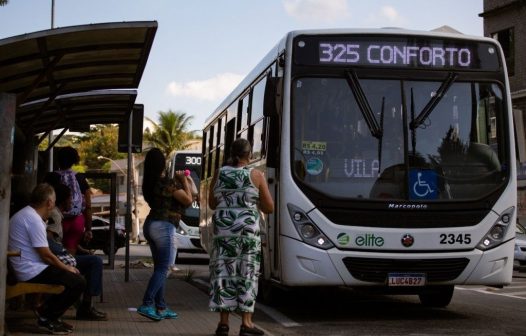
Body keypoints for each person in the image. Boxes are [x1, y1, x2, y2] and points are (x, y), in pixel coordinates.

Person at [208, 138, 274, 336]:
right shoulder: (256, 175)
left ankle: (223, 324)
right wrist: (253, 204)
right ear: (249, 155)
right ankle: (246, 323)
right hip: (247, 233)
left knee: (224, 273)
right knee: (247, 274)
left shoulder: (219, 173)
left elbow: (212, 203)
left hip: (224, 233)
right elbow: (269, 207)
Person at [8, 183, 86, 335]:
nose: (53, 206)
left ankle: (49, 315)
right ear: (49, 202)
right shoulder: (33, 219)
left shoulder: (28, 214)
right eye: (54, 202)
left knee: (73, 279)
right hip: (30, 270)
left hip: (28, 267)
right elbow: (46, 254)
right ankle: (46, 317)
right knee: (78, 282)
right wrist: (67, 268)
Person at [137, 148, 193, 321]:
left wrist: (186, 181)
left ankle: (161, 306)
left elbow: (191, 194)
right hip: (164, 226)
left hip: (150, 224)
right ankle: (147, 304)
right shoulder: (167, 182)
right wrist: (183, 179)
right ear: (162, 164)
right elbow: (189, 200)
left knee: (159, 267)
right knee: (164, 268)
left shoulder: (149, 183)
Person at [46, 182, 108, 321]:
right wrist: (64, 256)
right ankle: (85, 307)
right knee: (95, 262)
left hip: (59, 257)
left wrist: (81, 250)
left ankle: (85, 305)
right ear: (63, 200)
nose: (72, 201)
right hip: (56, 260)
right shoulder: (55, 216)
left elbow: (56, 241)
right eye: (70, 198)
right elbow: (49, 241)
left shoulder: (58, 214)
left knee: (92, 261)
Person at [53, 146, 93, 255]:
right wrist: (88, 229)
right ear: (75, 161)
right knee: (70, 254)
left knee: (54, 251)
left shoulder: (52, 177)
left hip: (56, 220)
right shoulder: (81, 178)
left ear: (58, 160)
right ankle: (71, 270)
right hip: (77, 221)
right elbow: (88, 206)